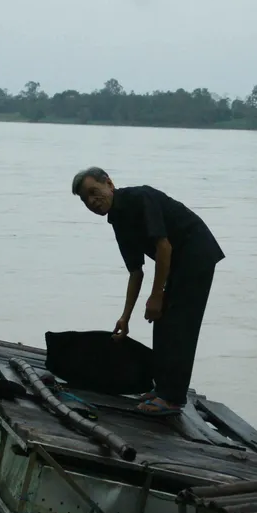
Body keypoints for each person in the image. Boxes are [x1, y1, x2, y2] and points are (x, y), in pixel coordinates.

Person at [71, 166, 225, 415]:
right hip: (178, 262)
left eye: (93, 191)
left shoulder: (140, 198)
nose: (92, 201)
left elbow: (164, 247)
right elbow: (136, 272)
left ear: (109, 183)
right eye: (85, 199)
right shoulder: (118, 221)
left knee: (180, 324)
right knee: (162, 318)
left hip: (197, 252)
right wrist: (125, 317)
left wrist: (157, 295)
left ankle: (172, 398)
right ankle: (163, 387)